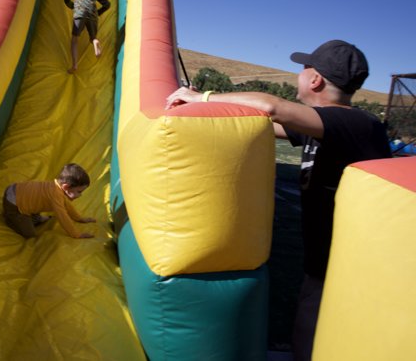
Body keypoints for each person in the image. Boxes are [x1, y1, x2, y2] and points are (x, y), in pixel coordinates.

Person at [166, 40, 391, 361]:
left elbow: (271, 107)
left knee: (318, 322)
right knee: (310, 314)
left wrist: (202, 97)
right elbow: (261, 121)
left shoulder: (357, 123)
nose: (297, 76)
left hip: (352, 258)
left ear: (315, 80)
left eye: (303, 70)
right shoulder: (324, 124)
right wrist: (205, 106)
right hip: (327, 253)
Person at [2, 163, 96, 239]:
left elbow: (68, 206)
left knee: (36, 204)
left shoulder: (57, 188)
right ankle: (10, 217)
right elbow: (62, 216)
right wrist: (77, 234)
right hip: (14, 203)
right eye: (79, 191)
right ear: (66, 187)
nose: (80, 195)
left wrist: (79, 219)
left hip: (20, 193)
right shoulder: (55, 195)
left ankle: (33, 217)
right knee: (30, 234)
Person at [63, 0, 110, 74]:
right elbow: (107, 4)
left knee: (75, 39)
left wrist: (73, 6)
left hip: (79, 13)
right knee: (92, 37)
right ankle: (95, 41)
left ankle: (74, 65)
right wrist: (97, 13)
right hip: (92, 14)